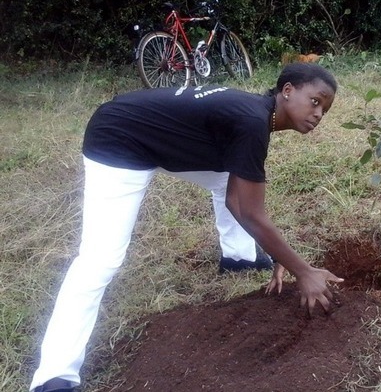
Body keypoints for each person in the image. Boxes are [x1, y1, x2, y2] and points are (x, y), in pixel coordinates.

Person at [30, 62, 344, 392]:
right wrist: (303, 271)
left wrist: (279, 252)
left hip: (154, 133)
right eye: (315, 101)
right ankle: (55, 375)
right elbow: (251, 213)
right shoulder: (253, 122)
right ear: (288, 90)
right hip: (120, 137)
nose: (319, 113)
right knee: (100, 260)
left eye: (325, 108)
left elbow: (238, 202)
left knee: (227, 178)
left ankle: (239, 257)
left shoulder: (254, 114)